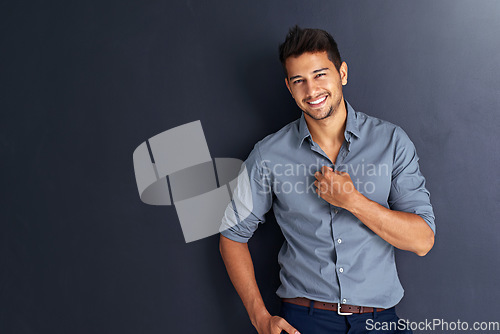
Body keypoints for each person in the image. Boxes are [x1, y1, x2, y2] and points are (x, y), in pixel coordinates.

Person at [219, 25, 435, 334]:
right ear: (289, 87)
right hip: (303, 320)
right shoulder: (268, 155)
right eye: (299, 81)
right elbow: (232, 236)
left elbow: (423, 241)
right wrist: (260, 317)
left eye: (320, 75)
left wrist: (353, 201)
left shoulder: (392, 142)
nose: (311, 90)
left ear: (342, 73)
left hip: (379, 321)